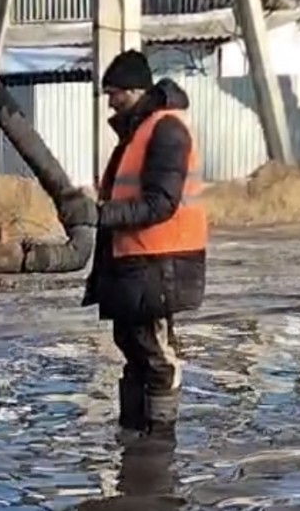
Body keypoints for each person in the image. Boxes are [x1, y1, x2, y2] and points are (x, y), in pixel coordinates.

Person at [82, 49, 208, 436]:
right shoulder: (139, 132)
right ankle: (136, 439)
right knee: (132, 345)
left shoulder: (165, 129)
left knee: (155, 356)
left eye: (115, 93)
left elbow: (161, 202)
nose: (110, 102)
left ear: (136, 90)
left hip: (159, 264)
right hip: (136, 263)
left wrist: (100, 214)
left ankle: (158, 444)